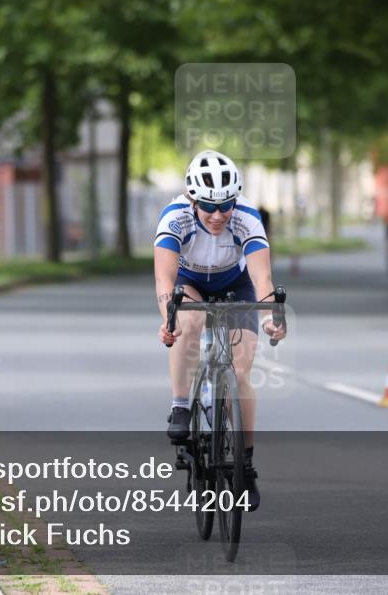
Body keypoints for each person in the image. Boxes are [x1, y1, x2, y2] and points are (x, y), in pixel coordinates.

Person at [154, 150, 287, 511]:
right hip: (189, 282)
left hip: (235, 284)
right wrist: (169, 320)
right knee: (189, 322)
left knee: (241, 372)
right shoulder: (175, 217)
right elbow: (164, 279)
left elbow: (262, 278)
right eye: (209, 207)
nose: (217, 215)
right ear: (193, 200)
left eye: (225, 205)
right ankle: (181, 405)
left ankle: (246, 464)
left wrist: (269, 317)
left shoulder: (247, 218)